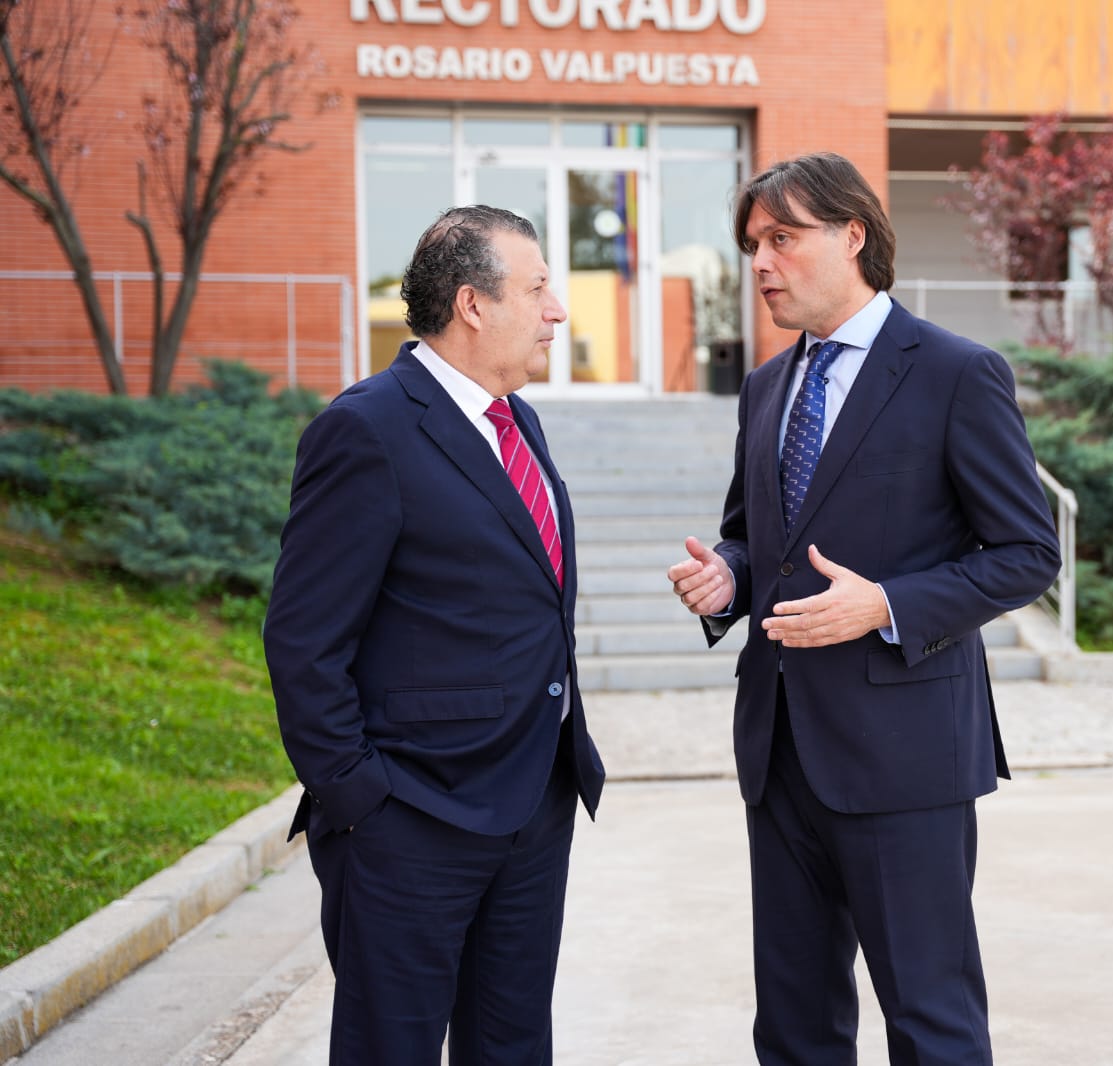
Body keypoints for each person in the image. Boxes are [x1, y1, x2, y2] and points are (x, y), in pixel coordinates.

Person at [666, 152, 1061, 1065]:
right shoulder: (766, 387)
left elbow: (1025, 553)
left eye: (781, 239)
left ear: (852, 235)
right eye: (752, 245)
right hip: (779, 753)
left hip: (904, 760)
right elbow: (748, 534)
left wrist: (884, 604)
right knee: (794, 1025)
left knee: (930, 1019)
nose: (760, 263)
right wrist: (727, 576)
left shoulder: (956, 373)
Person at [263, 205, 605, 1066]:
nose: (557, 310)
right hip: (409, 821)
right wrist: (359, 800)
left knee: (512, 1047)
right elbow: (304, 641)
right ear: (473, 305)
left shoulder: (514, 420)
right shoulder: (366, 429)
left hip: (532, 803)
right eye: (537, 289)